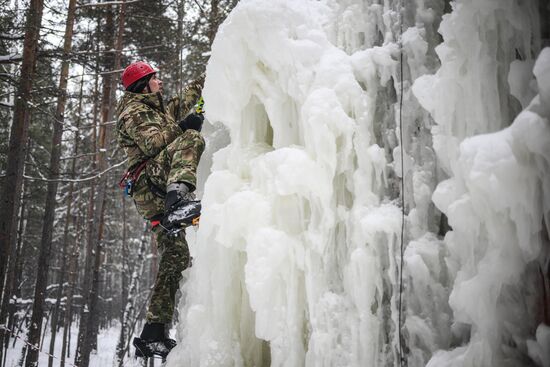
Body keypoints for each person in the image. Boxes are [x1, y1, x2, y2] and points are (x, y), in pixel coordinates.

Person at [116, 61, 205, 359]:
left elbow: (183, 101)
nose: (160, 82)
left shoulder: (156, 109)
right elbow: (153, 142)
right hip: (149, 183)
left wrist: (210, 74)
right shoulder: (133, 111)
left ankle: (153, 332)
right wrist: (183, 127)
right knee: (191, 138)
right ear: (143, 84)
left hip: (155, 195)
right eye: (155, 79)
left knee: (175, 255)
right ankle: (177, 199)